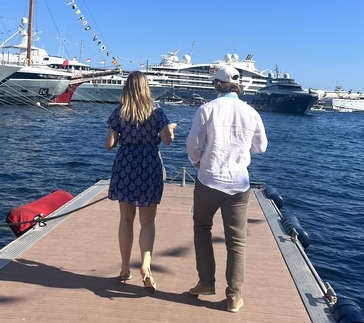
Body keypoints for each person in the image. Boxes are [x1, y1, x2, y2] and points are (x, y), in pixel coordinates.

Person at [186, 65, 267, 312]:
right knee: (237, 241)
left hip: (209, 180)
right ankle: (233, 296)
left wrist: (198, 162)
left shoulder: (207, 110)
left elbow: (193, 145)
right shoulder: (251, 112)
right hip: (239, 184)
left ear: (216, 85)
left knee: (202, 228)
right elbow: (261, 147)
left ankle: (205, 282)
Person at [106, 71, 177, 294]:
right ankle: (145, 266)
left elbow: (109, 144)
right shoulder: (156, 111)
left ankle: (125, 268)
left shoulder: (120, 112)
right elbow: (167, 141)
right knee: (148, 221)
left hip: (126, 164)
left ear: (127, 88)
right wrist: (170, 130)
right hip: (149, 165)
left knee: (126, 218)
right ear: (146, 88)